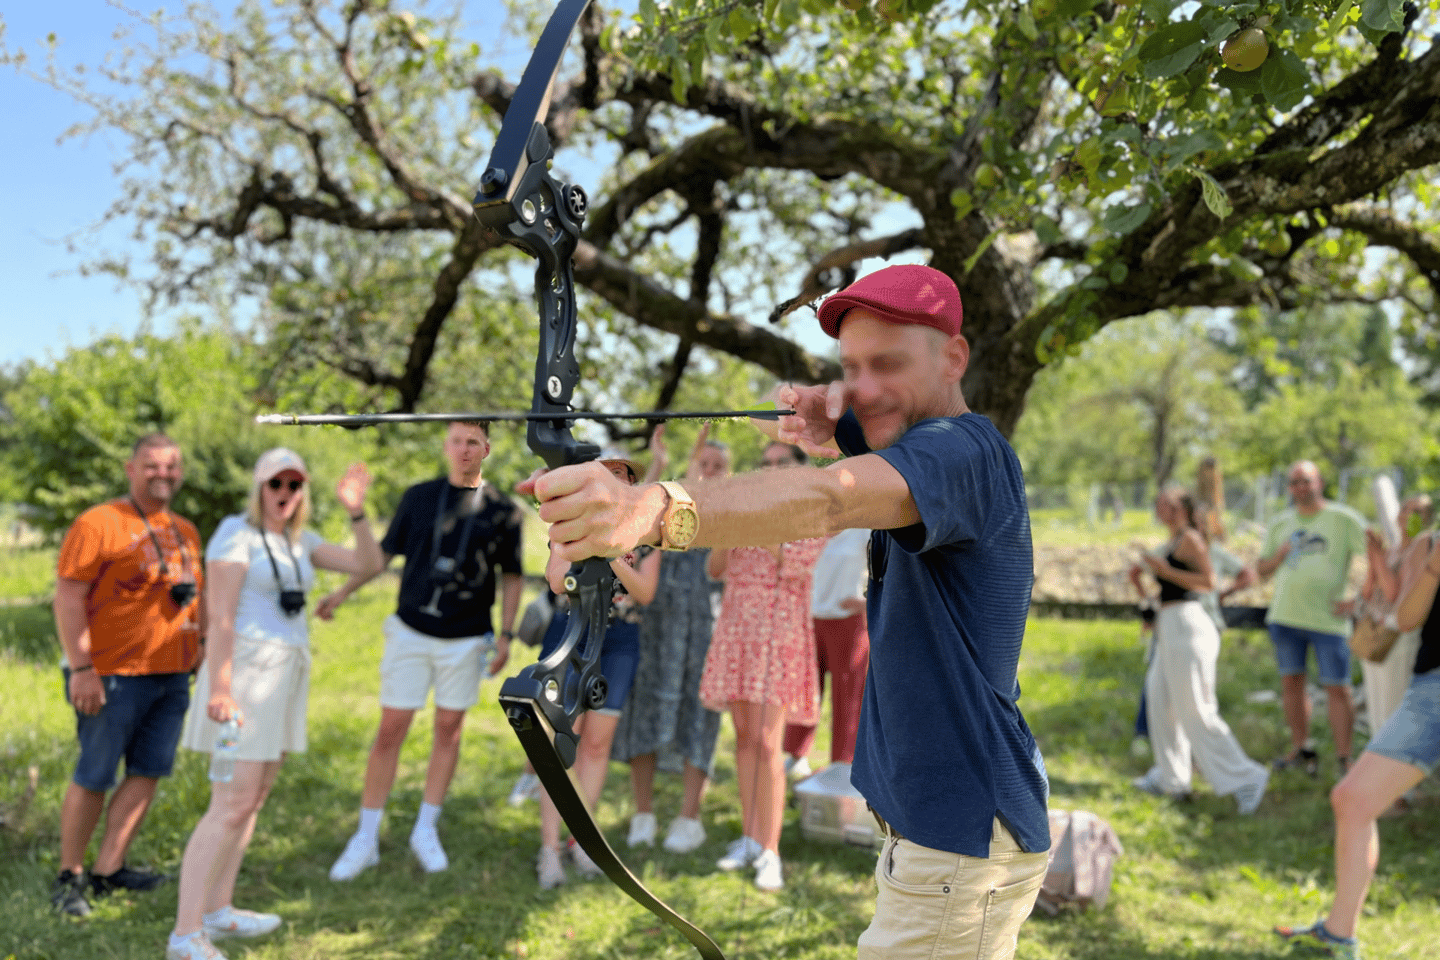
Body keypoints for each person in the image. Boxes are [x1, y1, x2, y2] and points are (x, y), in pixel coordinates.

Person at [520, 263, 1051, 958]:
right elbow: (875, 453)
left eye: (887, 364)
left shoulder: (962, 451)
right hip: (947, 832)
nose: (863, 387)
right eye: (850, 368)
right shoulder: (934, 453)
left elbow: (829, 498)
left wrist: (647, 509)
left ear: (955, 358)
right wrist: (841, 427)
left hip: (960, 839)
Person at [166, 450, 381, 960]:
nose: (284, 493)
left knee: (253, 798)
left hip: (284, 678)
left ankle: (218, 911)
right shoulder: (234, 534)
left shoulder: (300, 541)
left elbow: (370, 564)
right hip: (244, 678)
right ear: (259, 487)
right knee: (230, 802)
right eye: (275, 483)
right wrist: (220, 689)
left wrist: (355, 509)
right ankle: (185, 934)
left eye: (294, 485)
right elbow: (220, 619)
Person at [324, 421, 523, 879]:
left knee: (448, 730)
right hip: (411, 631)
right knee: (391, 729)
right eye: (456, 441)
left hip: (467, 637)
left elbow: (512, 577)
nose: (464, 449)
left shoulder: (504, 511)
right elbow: (381, 557)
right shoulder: (418, 497)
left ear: (486, 448)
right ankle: (365, 837)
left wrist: (507, 634)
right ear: (445, 445)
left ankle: (425, 828)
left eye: (473, 442)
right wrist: (341, 593)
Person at [51, 434, 205, 918]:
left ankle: (109, 869)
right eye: (152, 465)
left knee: (148, 772)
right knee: (95, 774)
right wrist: (81, 668)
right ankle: (70, 875)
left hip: (171, 675)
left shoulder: (185, 530)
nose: (163, 474)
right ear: (130, 468)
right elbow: (68, 597)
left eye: (172, 466)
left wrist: (200, 643)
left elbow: (192, 593)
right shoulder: (99, 522)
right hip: (111, 673)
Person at [1273, 523, 1440, 960]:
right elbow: (1406, 618)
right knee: (1352, 799)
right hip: (1431, 688)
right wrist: (1434, 569)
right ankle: (1338, 934)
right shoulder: (1433, 540)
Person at [700, 441, 826, 891]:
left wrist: (757, 518)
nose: (770, 469)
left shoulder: (809, 514)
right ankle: (750, 837)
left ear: (799, 468)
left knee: (770, 744)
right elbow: (714, 567)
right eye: (765, 462)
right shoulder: (744, 509)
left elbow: (797, 563)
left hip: (779, 634)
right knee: (745, 739)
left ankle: (771, 850)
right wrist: (730, 523)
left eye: (781, 462)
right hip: (738, 630)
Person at [536, 450, 661, 889]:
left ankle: (582, 841)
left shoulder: (648, 529)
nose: (616, 478)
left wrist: (610, 553)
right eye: (608, 472)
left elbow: (645, 591)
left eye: (624, 473)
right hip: (572, 634)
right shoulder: (572, 520)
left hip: (620, 641)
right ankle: (549, 848)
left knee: (596, 745)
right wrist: (603, 545)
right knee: (560, 743)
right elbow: (556, 579)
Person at [613, 426, 731, 853]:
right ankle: (643, 813)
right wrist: (668, 463)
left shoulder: (731, 514)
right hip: (657, 624)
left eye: (719, 467)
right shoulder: (669, 506)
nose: (710, 471)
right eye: (704, 463)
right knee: (644, 710)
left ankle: (689, 817)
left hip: (704, 628)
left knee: (700, 717)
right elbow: (637, 510)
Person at [1128, 488, 1269, 813]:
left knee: (1196, 708)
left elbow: (1208, 581)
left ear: (1182, 508)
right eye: (1159, 502)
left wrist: (1163, 571)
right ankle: (1171, 777)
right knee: (1161, 701)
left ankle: (1246, 777)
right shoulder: (1172, 542)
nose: (1160, 507)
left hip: (1189, 625)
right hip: (1169, 625)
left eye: (1167, 503)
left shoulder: (1190, 538)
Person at [1256, 461, 1368, 777]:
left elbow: (1374, 556)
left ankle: (1345, 759)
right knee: (1292, 683)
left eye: (1306, 481)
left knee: (1338, 688)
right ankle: (1301, 749)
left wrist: (1359, 598)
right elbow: (1261, 570)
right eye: (1294, 482)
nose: (1300, 488)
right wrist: (1279, 556)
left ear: (1319, 482)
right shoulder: (1280, 523)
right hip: (1286, 616)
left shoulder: (1344, 519)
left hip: (1329, 620)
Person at [782, 524, 871, 776]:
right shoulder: (812, 527)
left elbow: (889, 569)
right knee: (804, 689)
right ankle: (796, 755)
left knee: (848, 693)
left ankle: (843, 763)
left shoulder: (864, 530)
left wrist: (869, 601)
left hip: (848, 621)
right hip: (809, 618)